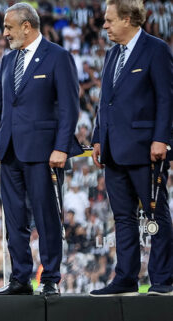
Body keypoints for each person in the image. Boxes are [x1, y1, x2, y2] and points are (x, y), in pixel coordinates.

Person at [0, 3, 82, 296]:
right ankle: (20, 278)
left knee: (47, 217)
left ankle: (50, 279)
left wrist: (62, 147)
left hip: (44, 153)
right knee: (14, 219)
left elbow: (69, 108)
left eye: (8, 27)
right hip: (9, 152)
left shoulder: (59, 57)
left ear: (27, 26)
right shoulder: (7, 60)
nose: (4, 32)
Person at [90, 0, 173, 297]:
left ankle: (163, 277)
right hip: (113, 150)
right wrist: (98, 137)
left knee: (155, 214)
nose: (105, 26)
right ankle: (125, 277)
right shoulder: (113, 54)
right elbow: (106, 101)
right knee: (122, 217)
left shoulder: (156, 49)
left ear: (127, 19)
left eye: (110, 20)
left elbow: (166, 98)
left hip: (145, 149)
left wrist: (162, 138)